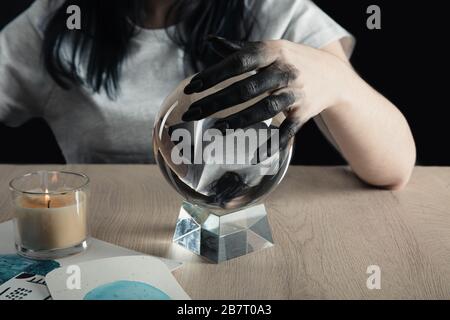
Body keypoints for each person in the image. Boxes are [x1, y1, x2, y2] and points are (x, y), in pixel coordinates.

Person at [0, 0, 416, 189]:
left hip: (240, 239)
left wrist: (334, 80)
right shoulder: (54, 22)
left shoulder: (279, 12)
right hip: (98, 237)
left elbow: (394, 168)